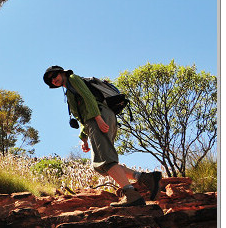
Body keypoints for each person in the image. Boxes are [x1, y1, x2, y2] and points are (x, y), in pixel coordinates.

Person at [43, 65, 162, 207]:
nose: (53, 80)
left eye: (54, 75)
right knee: (100, 166)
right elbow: (82, 113)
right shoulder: (69, 90)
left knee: (105, 161)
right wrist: (84, 137)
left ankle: (131, 195)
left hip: (99, 117)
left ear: (62, 73)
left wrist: (98, 119)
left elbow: (88, 98)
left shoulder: (73, 79)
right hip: (98, 119)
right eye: (50, 80)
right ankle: (145, 178)